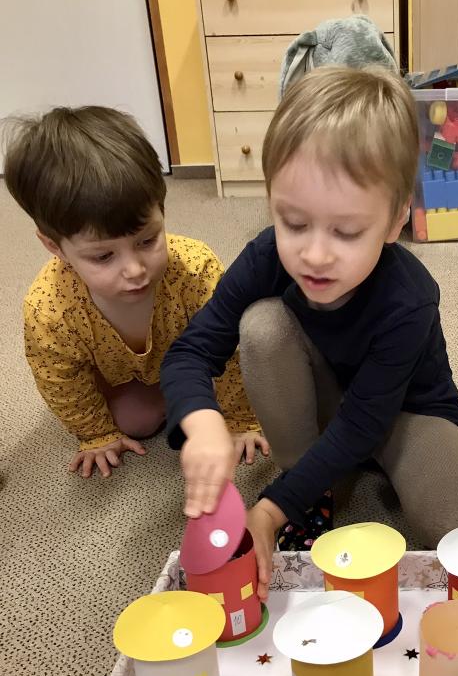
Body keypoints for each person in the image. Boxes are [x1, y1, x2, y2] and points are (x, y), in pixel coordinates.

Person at [161, 66, 458, 598]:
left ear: (395, 221)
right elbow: (190, 352)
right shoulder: (265, 256)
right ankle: (310, 482)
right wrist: (202, 425)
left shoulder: (410, 298)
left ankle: (317, 481)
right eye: (294, 223)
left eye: (346, 231)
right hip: (321, 402)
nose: (314, 254)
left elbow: (364, 422)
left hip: (404, 414)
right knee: (262, 325)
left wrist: (269, 509)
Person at [4, 105, 267, 478]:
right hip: (119, 377)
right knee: (136, 421)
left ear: (161, 210)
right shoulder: (50, 309)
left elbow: (231, 342)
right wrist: (96, 435)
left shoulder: (194, 268)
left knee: (253, 376)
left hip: (193, 358)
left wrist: (239, 419)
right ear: (54, 247)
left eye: (147, 240)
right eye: (103, 256)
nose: (135, 270)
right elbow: (60, 379)